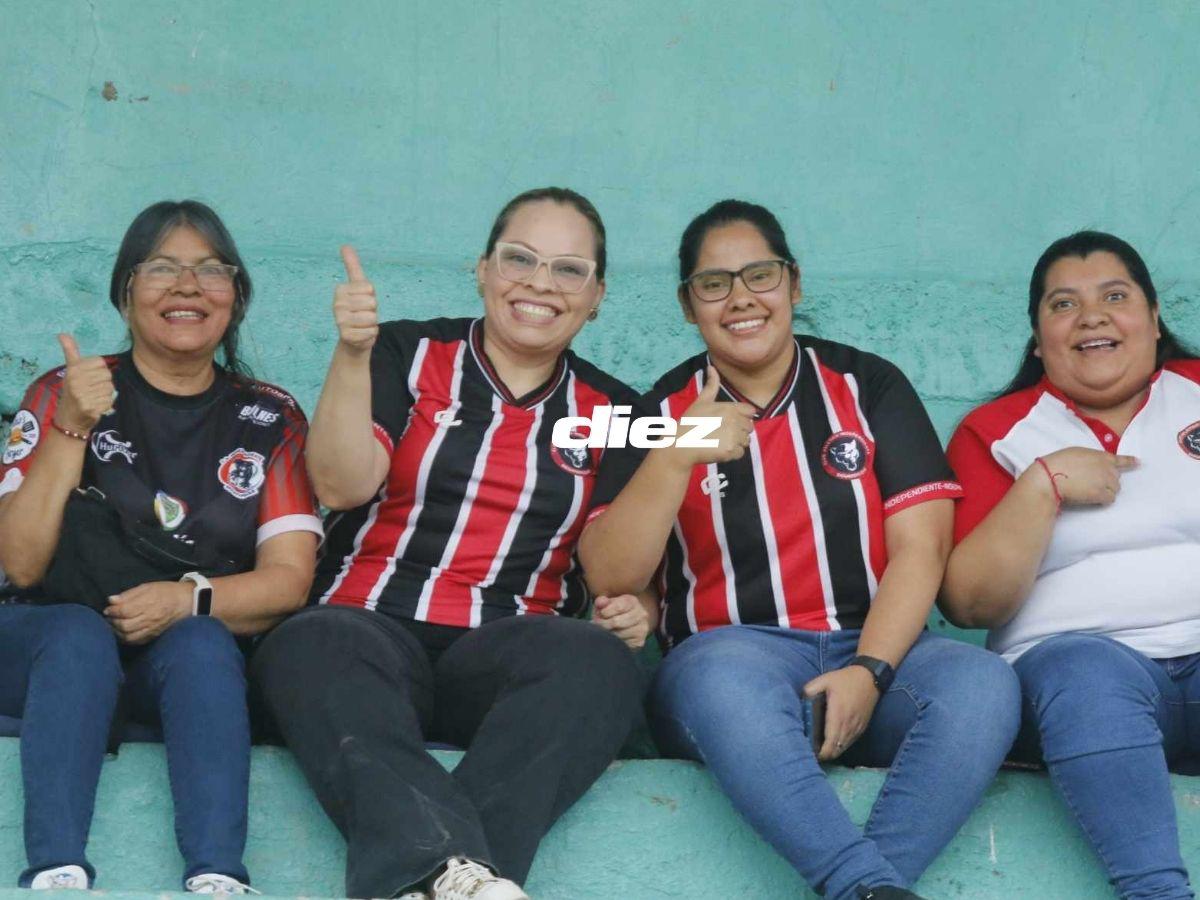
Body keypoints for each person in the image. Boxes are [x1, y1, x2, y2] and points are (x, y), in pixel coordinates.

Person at [578, 199, 1021, 900]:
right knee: (723, 683)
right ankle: (863, 885)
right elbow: (608, 571)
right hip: (726, 666)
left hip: (871, 654)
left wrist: (870, 671)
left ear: (795, 283)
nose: (741, 298)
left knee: (983, 683)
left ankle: (868, 887)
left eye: (760, 274)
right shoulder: (651, 412)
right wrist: (676, 453)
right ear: (688, 305)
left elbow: (922, 549)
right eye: (714, 283)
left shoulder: (867, 384)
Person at [250, 187, 646, 900]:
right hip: (363, 632)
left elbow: (615, 563)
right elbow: (340, 485)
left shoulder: (616, 411)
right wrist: (352, 352)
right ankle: (461, 877)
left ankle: (434, 871)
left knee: (599, 660)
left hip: (500, 658)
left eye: (568, 269)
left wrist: (636, 606)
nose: (539, 283)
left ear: (598, 295)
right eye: (518, 259)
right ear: (482, 269)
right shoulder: (406, 350)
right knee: (311, 641)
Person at [0, 200, 322, 892]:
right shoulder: (66, 390)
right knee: (76, 637)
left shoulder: (271, 416)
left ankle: (217, 874)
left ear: (234, 299)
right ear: (125, 294)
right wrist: (71, 428)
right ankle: (54, 870)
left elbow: (289, 581)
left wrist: (187, 600)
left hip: (171, 653)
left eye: (211, 270)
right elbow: (20, 563)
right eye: (162, 268)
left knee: (203, 639)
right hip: (41, 639)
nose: (187, 286)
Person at [941, 231, 1200, 900]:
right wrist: (1042, 486)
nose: (1092, 317)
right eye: (1064, 305)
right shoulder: (995, 430)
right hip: (1080, 679)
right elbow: (969, 604)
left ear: (1152, 319)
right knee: (1082, 671)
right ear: (1037, 339)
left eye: (1116, 296)